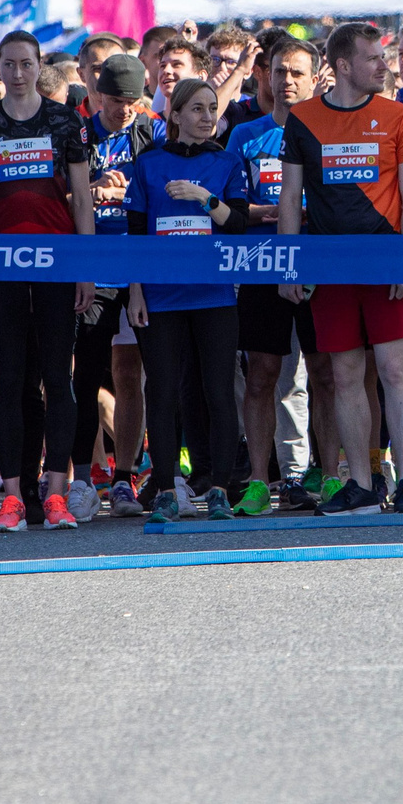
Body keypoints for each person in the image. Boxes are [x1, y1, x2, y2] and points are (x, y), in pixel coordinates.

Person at [278, 21, 403, 515]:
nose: (384, 66)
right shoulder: (302, 119)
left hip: (388, 265)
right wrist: (289, 265)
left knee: (393, 371)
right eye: (373, 58)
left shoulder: (398, 115)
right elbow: (290, 198)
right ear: (343, 66)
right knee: (345, 375)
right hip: (331, 266)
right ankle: (362, 484)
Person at [0, 29, 99, 531]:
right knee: (9, 381)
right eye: (8, 66)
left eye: (25, 64)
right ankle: (13, 497)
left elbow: (82, 199)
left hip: (58, 264)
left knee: (58, 379)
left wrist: (85, 267)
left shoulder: (65, 120)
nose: (17, 74)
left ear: (40, 67)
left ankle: (57, 494)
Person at [127, 78, 253, 522]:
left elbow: (238, 224)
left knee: (218, 391)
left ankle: (219, 488)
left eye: (212, 108)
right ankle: (164, 489)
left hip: (213, 294)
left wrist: (205, 198)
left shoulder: (226, 161)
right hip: (160, 295)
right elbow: (136, 234)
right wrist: (135, 291)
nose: (206, 117)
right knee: (160, 391)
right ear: (175, 115)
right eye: (196, 109)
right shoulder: (149, 163)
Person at [230, 37, 324, 509]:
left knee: (326, 374)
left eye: (297, 74)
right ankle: (259, 483)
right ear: (264, 75)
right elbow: (228, 209)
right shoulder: (245, 135)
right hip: (262, 265)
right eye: (279, 72)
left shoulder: (331, 133)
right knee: (263, 374)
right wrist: (267, 212)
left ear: (315, 79)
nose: (287, 82)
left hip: (317, 267)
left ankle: (327, 477)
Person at [77, 52, 158, 517]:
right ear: (98, 94)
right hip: (95, 267)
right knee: (86, 377)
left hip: (139, 265)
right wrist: (90, 187)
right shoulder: (80, 133)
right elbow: (60, 197)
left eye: (133, 100)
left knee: (134, 375)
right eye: (116, 101)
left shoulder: (151, 131)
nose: (125, 109)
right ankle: (84, 479)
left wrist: (124, 192)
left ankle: (126, 477)